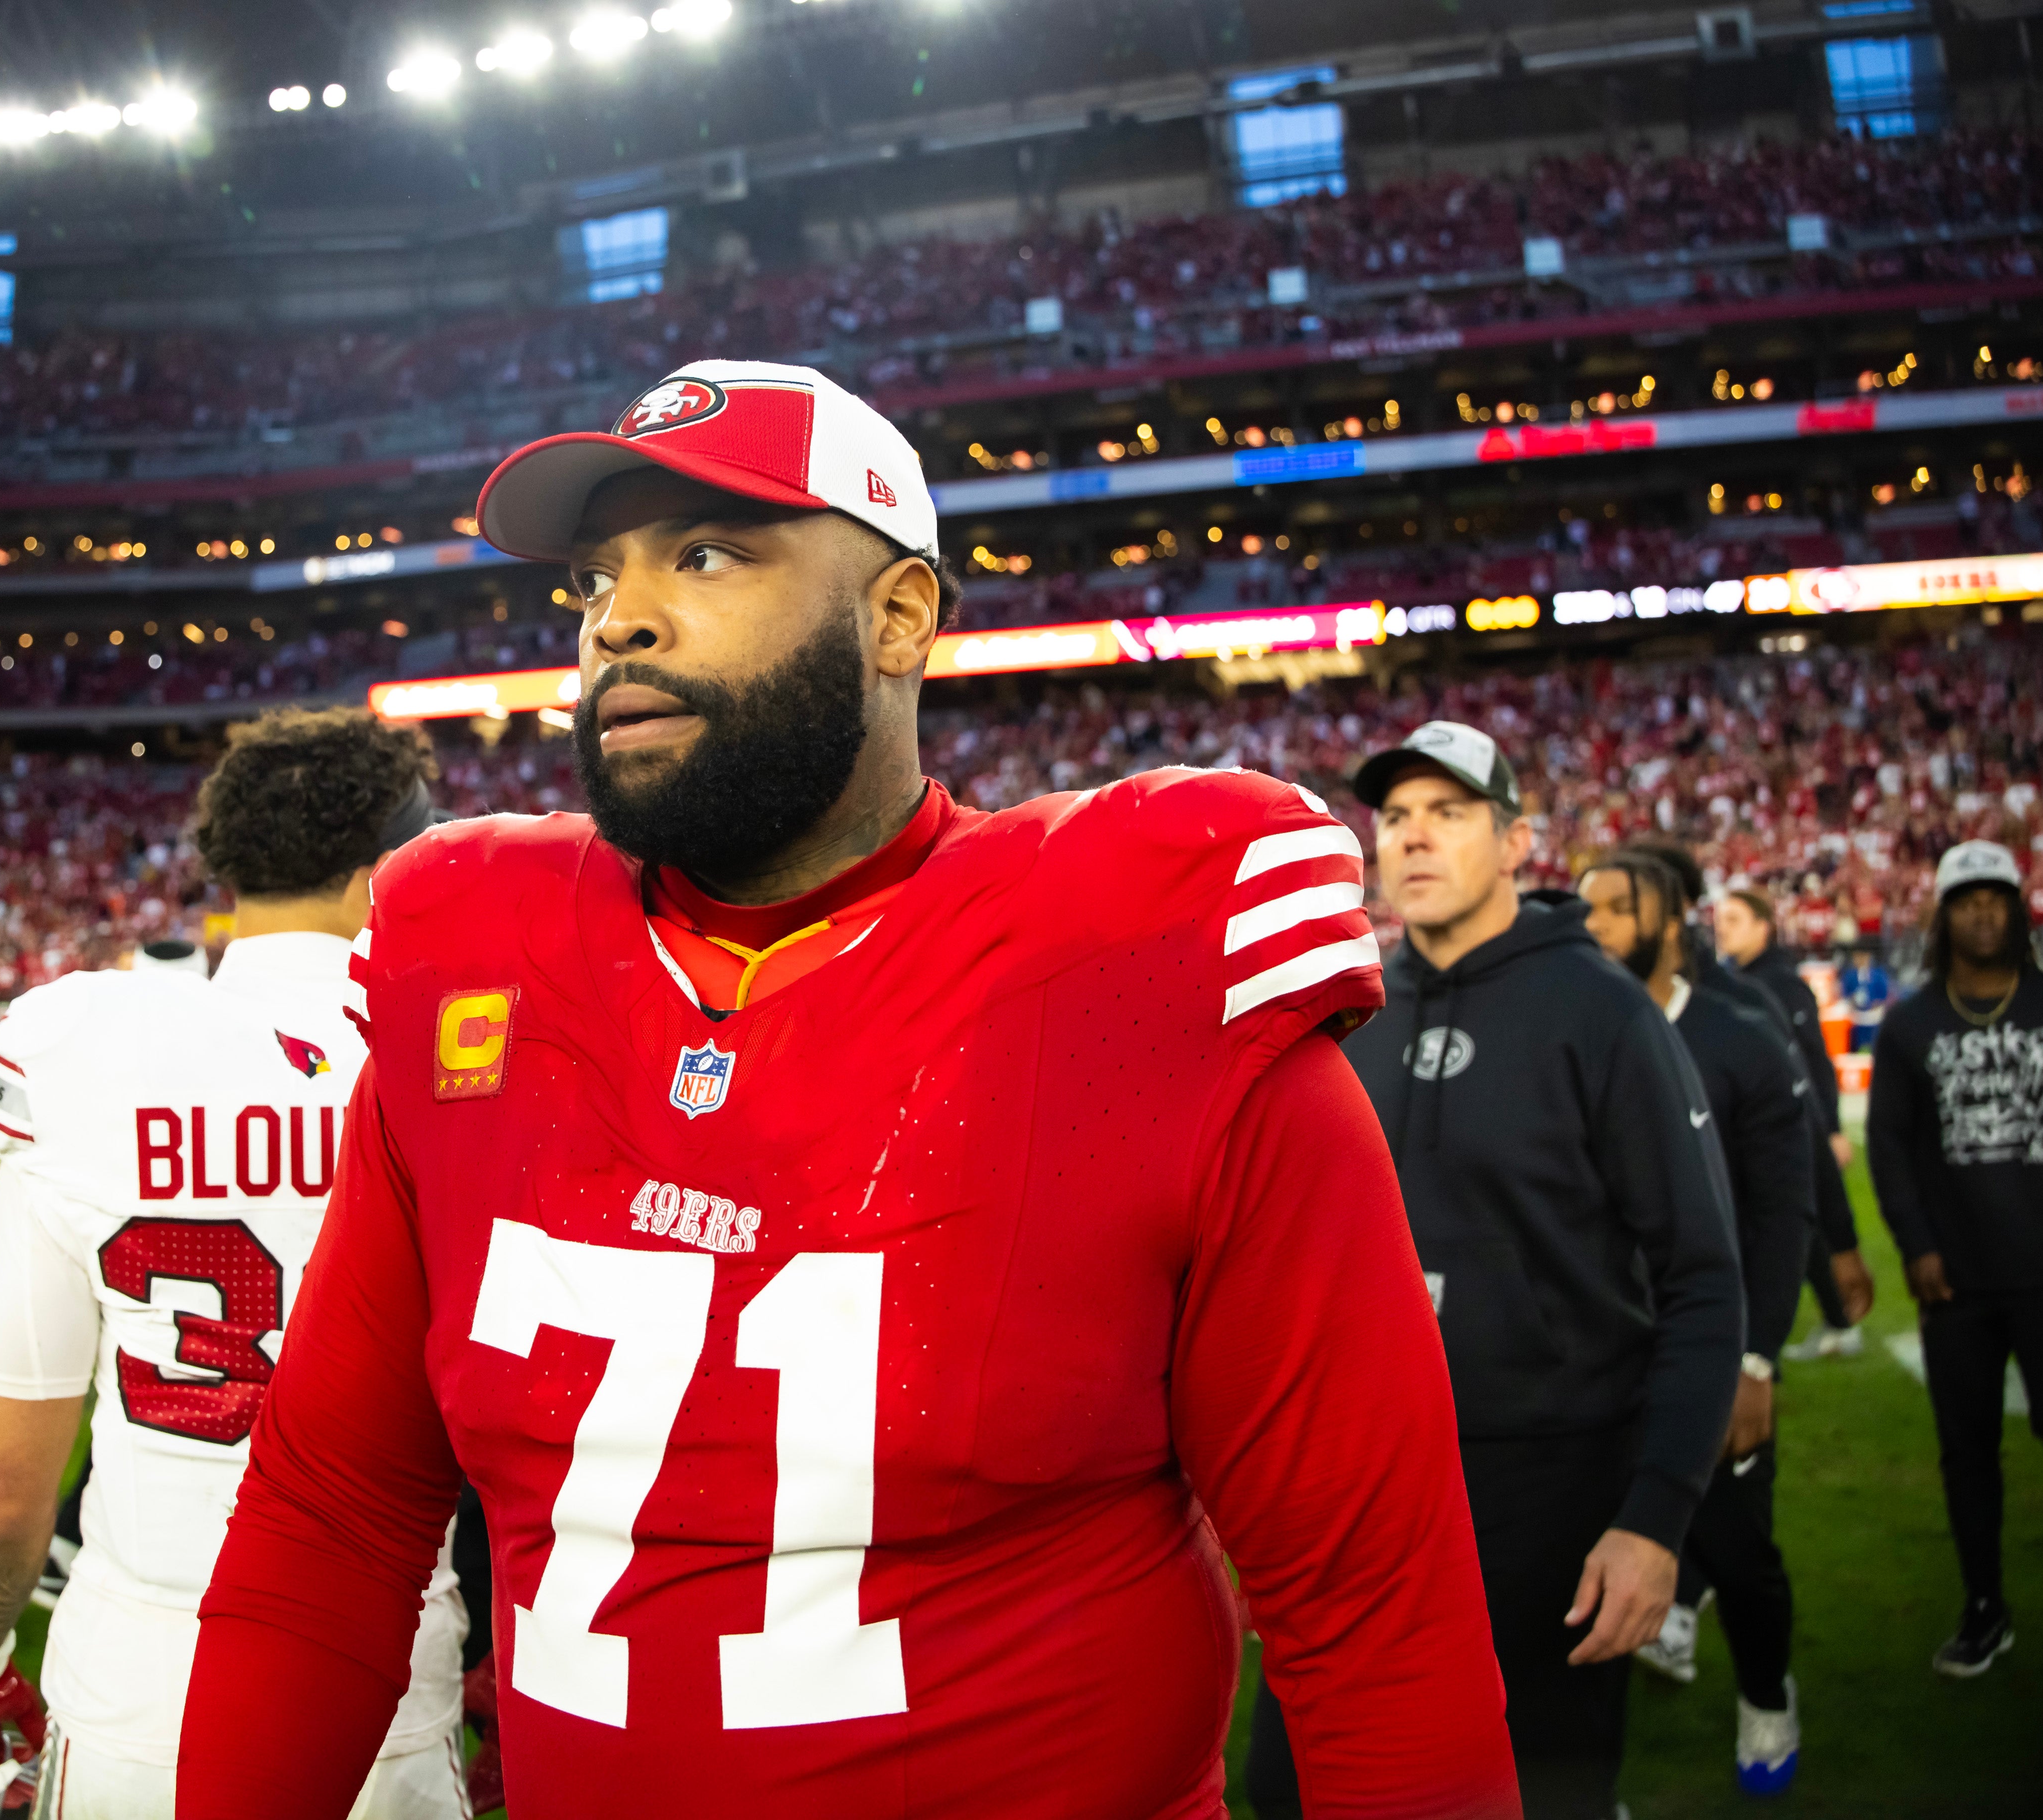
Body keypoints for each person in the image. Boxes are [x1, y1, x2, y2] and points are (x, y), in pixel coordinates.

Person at [181, 361, 1517, 1819]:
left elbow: (1372, 1627)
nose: (616, 618)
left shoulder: (1143, 967)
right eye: (592, 579)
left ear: (898, 616)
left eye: (703, 553)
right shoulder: (475, 957)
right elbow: (331, 1524)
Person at [0, 708, 470, 1820]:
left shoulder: (83, 1047)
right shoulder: (460, 1050)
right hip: (390, 1667)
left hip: (140, 1674)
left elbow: (11, 1471)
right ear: (388, 870)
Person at [1270, 720, 1742, 1820]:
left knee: (1541, 1792)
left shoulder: (1600, 1010)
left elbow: (1703, 1275)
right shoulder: (1342, 1012)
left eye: (1449, 812)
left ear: (1518, 838)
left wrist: (1655, 1518)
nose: (1415, 838)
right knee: (1296, 1786)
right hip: (1357, 1492)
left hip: (1553, 1489)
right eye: (1395, 816)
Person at [1579, 850, 1814, 1795]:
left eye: (1612, 907)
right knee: (1578, 1568)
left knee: (1737, 1550)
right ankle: (1585, 1775)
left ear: (1671, 921)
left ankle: (1766, 1691)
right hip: (1593, 1360)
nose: (1587, 923)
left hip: (1708, 1349)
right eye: (1582, 904)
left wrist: (1755, 1357)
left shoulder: (1742, 1035)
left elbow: (1777, 1210)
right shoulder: (1571, 1028)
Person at [1865, 838, 2043, 1678]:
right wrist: (1918, 1245)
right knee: (1966, 1452)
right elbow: (1891, 1148)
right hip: (1957, 1282)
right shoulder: (1910, 1022)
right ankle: (1984, 1607)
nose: (1981, 910)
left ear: (2017, 910)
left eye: (1996, 896)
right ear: (1943, 915)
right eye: (1965, 897)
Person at [1717, 887, 1874, 1356]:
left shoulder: (1782, 985)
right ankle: (1832, 1320)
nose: (1722, 927)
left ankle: (1835, 1321)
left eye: (1735, 918)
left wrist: (1831, 1129)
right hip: (1768, 1127)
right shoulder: (1735, 982)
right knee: (1792, 1230)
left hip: (1795, 1125)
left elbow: (1815, 1062)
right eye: (1721, 918)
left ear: (1764, 927)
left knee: (1795, 1224)